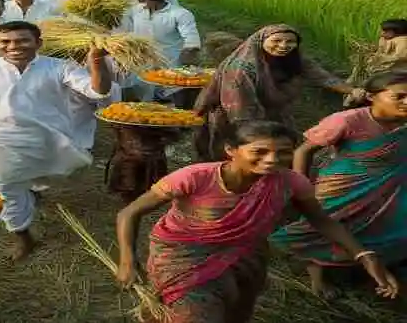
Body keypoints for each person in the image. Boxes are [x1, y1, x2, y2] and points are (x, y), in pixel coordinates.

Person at [115, 121, 399, 323]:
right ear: (231, 149)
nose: (272, 160)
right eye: (259, 151)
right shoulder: (194, 177)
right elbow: (128, 213)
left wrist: (364, 255)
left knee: (233, 311)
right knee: (194, 313)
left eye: (283, 152)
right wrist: (128, 260)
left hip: (245, 257)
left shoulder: (291, 183)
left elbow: (322, 221)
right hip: (183, 257)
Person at [0, 21, 115, 260]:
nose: (13, 46)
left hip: (48, 136)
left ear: (38, 43)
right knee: (5, 188)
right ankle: (22, 235)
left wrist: (96, 61)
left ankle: (31, 189)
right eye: (5, 42)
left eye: (22, 40)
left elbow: (97, 91)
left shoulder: (60, 67)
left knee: (53, 173)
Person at [271, 70, 407, 298]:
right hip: (343, 188)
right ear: (372, 96)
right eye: (399, 96)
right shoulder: (347, 120)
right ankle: (317, 277)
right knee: (324, 227)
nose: (406, 102)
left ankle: (375, 266)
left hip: (391, 187)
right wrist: (300, 187)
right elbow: (304, 151)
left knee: (384, 226)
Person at [194, 24, 363, 161]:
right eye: (276, 40)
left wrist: (352, 90)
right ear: (261, 41)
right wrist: (258, 135)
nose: (283, 46)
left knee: (278, 152)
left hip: (272, 111)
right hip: (238, 118)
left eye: (290, 42)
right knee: (245, 155)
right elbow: (241, 109)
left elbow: (321, 76)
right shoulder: (241, 69)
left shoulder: (293, 58)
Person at [119, 0, 201, 105]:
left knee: (172, 104)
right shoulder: (135, 11)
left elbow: (191, 42)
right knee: (142, 104)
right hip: (141, 66)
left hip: (170, 69)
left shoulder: (180, 14)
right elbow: (123, 31)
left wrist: (186, 70)